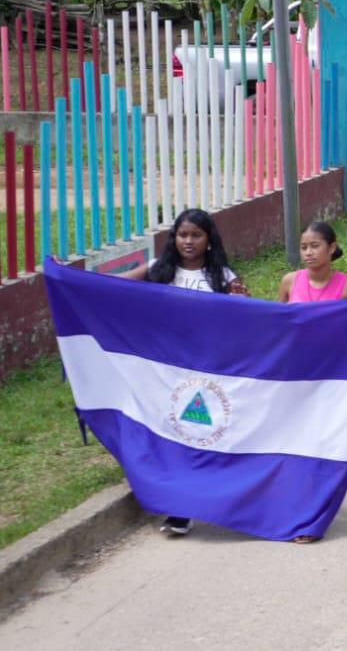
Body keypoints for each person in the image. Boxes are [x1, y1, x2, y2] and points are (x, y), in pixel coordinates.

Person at [125, 209, 248, 539]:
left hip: (208, 375)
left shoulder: (223, 276)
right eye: (182, 235)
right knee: (174, 437)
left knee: (200, 435)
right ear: (173, 238)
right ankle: (180, 507)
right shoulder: (157, 270)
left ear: (209, 239)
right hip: (164, 372)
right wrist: (73, 281)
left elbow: (248, 319)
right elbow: (114, 289)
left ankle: (195, 505)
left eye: (196, 235)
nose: (188, 241)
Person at [277, 220, 347, 302]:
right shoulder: (289, 281)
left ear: (332, 247)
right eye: (303, 247)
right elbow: (279, 314)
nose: (308, 253)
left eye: (315, 246)